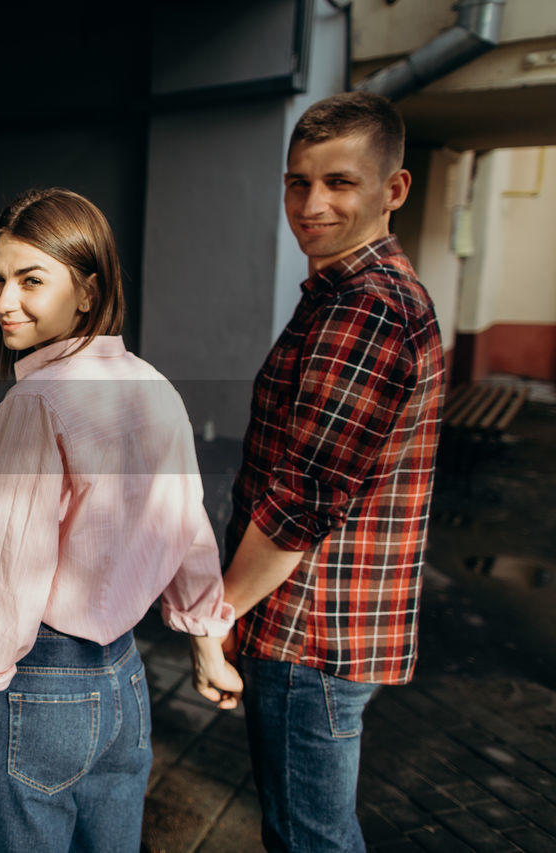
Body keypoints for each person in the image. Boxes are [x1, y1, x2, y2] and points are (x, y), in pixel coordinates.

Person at [0, 188, 242, 852]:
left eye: (31, 280)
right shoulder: (152, 383)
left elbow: (2, 574)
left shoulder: (36, 402)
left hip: (39, 690)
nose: (3, 301)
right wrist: (206, 642)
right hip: (125, 687)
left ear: (87, 291)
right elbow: (187, 522)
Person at [217, 91, 445, 852]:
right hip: (329, 625)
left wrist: (218, 613)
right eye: (298, 181)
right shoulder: (348, 294)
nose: (312, 203)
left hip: (307, 630)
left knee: (310, 839)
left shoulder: (367, 309)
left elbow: (302, 501)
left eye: (340, 182)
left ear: (393, 189)